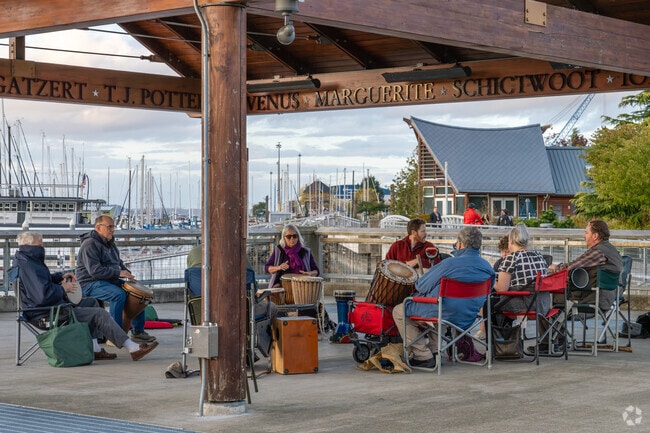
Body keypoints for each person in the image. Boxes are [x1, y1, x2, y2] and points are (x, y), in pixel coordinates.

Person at [14, 231, 158, 361]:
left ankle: (95, 349)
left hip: (46, 309)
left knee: (91, 303)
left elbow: (41, 283)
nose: (42, 247)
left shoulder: (27, 260)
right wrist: (63, 289)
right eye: (40, 244)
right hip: (47, 314)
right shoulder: (30, 265)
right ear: (29, 245)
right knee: (100, 314)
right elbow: (42, 296)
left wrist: (59, 276)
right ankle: (133, 348)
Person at [392, 226, 495, 368]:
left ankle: (423, 355)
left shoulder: (448, 264)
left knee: (400, 310)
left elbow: (420, 286)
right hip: (469, 316)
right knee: (440, 306)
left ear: (460, 244)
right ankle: (435, 350)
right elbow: (488, 292)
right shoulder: (488, 267)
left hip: (444, 312)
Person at [75, 215, 156, 344]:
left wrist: (126, 272)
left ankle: (138, 331)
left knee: (138, 295)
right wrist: (119, 273)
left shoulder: (109, 243)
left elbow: (118, 262)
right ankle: (115, 336)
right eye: (110, 227)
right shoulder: (89, 244)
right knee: (118, 295)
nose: (113, 230)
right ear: (98, 228)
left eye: (113, 227)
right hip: (89, 282)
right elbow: (95, 271)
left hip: (107, 279)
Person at [549, 219, 623, 310]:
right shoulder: (612, 250)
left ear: (595, 236)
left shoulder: (598, 252)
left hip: (592, 299)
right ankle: (557, 323)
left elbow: (570, 268)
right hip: (610, 298)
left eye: (586, 233)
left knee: (546, 297)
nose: (583, 236)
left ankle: (553, 323)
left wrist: (553, 267)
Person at [493, 223, 549, 319]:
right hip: (543, 306)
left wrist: (491, 279)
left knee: (490, 303)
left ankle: (499, 333)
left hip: (524, 307)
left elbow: (502, 289)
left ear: (510, 241)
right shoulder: (539, 255)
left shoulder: (511, 258)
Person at [265, 224, 320, 289]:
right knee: (277, 289)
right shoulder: (279, 250)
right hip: (282, 285)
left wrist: (310, 274)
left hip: (302, 285)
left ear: (298, 237)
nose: (292, 239)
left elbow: (316, 271)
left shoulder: (305, 252)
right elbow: (267, 268)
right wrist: (279, 267)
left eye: (295, 236)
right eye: (288, 237)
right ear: (284, 238)